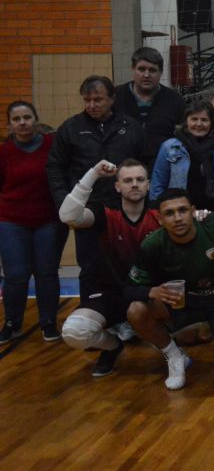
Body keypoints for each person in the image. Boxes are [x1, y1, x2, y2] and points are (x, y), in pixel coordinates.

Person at [127, 189, 214, 389]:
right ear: (160, 219)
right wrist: (149, 292)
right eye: (169, 213)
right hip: (182, 301)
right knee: (136, 311)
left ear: (193, 211)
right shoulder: (152, 245)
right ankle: (174, 356)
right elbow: (129, 288)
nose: (177, 217)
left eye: (183, 210)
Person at [47, 75, 146, 319]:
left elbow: (146, 162)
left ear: (112, 99)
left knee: (131, 264)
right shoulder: (70, 128)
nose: (92, 105)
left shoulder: (132, 127)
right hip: (88, 211)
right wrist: (64, 201)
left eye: (98, 99)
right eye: (87, 100)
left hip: (125, 211)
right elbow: (55, 167)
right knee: (89, 266)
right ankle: (90, 317)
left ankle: (131, 319)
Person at [59, 159, 161, 376]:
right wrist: (93, 174)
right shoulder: (104, 214)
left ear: (148, 184)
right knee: (74, 332)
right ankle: (113, 346)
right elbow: (67, 216)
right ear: (117, 186)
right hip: (111, 293)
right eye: (128, 180)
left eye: (140, 179)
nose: (134, 184)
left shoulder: (161, 215)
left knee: (193, 331)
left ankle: (172, 352)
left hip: (150, 294)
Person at [0, 102, 68, 344]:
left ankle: (48, 323)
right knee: (15, 274)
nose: (22, 122)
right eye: (16, 119)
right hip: (11, 221)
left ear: (36, 120)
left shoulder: (53, 145)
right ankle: (12, 323)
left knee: (46, 273)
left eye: (27, 117)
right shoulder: (4, 152)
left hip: (49, 220)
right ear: (9, 125)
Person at [150, 100, 214, 210]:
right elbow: (158, 184)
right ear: (186, 121)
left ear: (212, 123)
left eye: (204, 120)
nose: (199, 124)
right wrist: (156, 211)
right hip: (180, 213)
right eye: (194, 119)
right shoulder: (169, 148)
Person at [112, 47, 185, 167]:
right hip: (123, 169)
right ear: (132, 69)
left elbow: (183, 137)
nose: (146, 75)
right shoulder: (116, 97)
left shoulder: (175, 100)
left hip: (163, 168)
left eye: (152, 70)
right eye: (141, 69)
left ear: (161, 72)